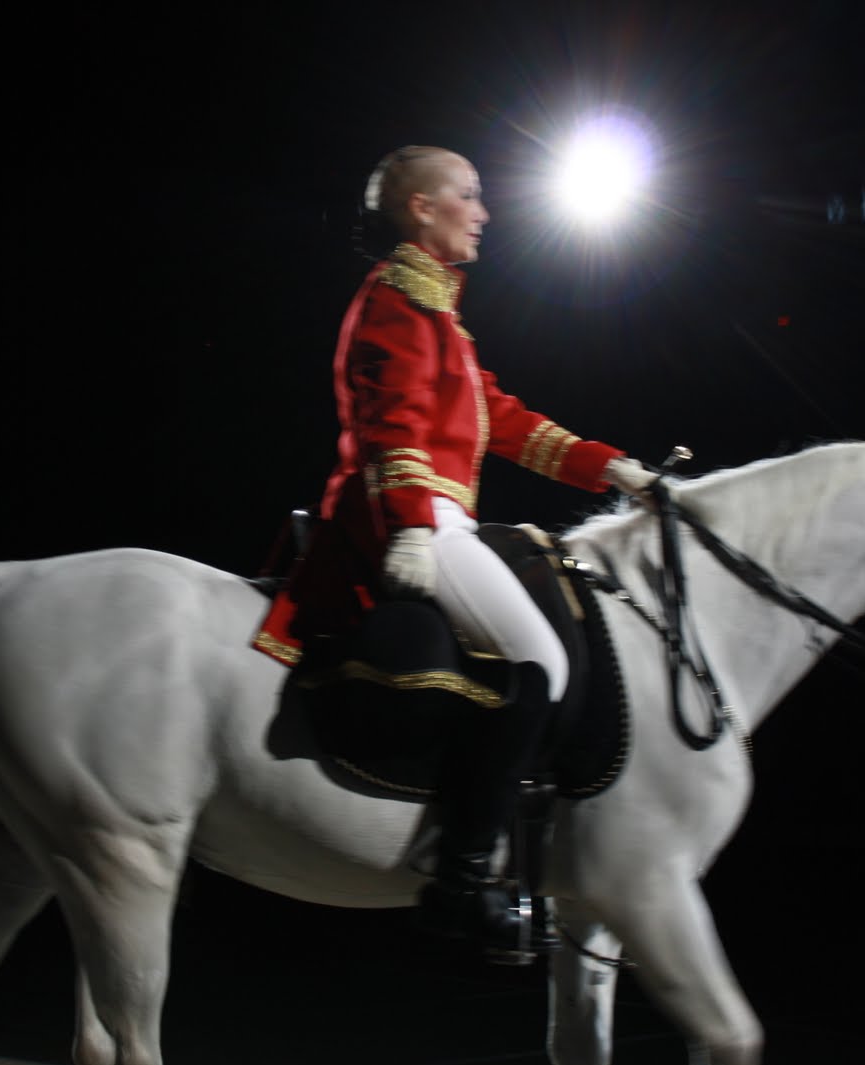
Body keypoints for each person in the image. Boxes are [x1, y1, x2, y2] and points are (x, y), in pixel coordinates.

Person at [255, 145, 658, 955]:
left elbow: (501, 419)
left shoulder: (442, 316)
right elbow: (389, 422)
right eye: (468, 196)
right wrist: (409, 521)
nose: (484, 211)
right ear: (421, 208)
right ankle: (462, 877)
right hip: (412, 521)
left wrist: (607, 465)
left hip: (444, 519)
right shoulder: (395, 299)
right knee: (540, 660)